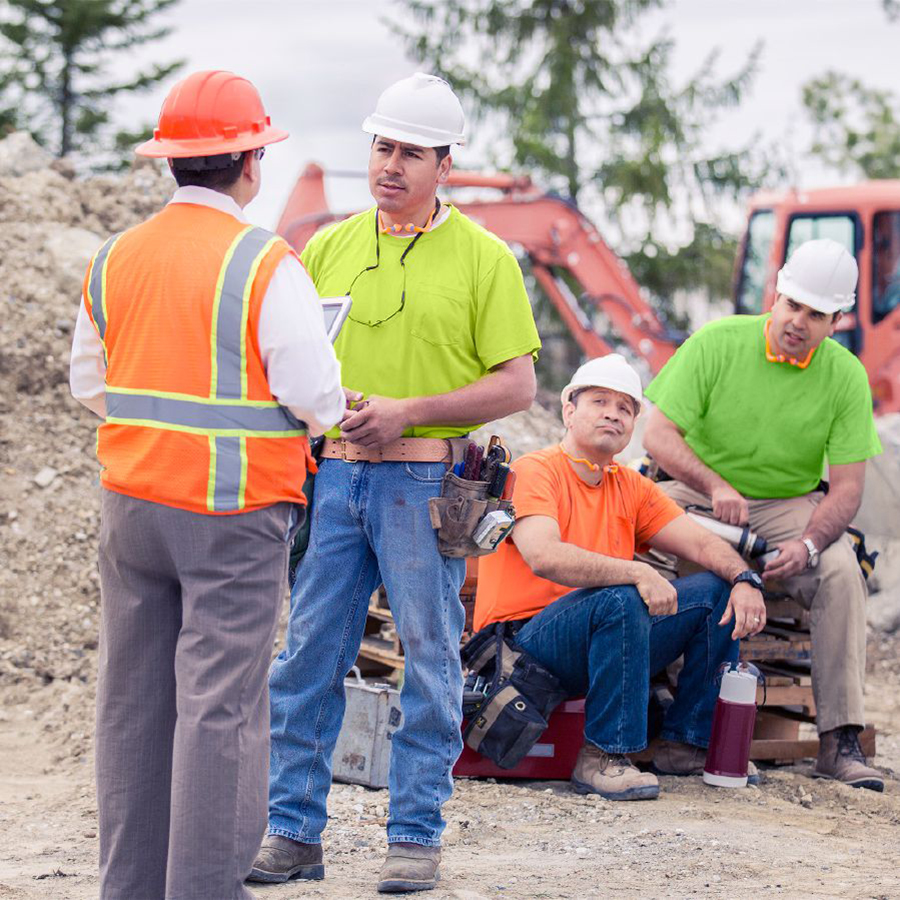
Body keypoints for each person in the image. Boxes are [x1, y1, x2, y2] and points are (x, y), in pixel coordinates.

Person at [250, 73, 541, 893]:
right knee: (307, 659)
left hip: (423, 487)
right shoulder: (330, 246)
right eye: (382, 147)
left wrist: (411, 410)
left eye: (410, 152)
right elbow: (288, 365)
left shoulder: (485, 258)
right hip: (337, 484)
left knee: (430, 661)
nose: (391, 164)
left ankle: (415, 835)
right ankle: (291, 833)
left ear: (444, 164)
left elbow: (517, 384)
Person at [69, 70, 345, 899]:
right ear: (250, 161)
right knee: (220, 710)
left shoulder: (116, 256)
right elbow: (314, 394)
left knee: (132, 704)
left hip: (133, 509)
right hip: (232, 515)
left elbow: (92, 380)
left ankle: (130, 888)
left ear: (173, 163)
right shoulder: (265, 262)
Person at [643, 238, 884, 792]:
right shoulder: (717, 342)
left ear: (836, 321)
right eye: (792, 304)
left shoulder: (846, 377)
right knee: (644, 540)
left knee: (842, 572)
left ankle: (839, 740)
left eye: (816, 313)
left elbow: (847, 489)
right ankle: (658, 699)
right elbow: (657, 435)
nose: (798, 321)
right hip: (697, 489)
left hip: (785, 503)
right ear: (774, 293)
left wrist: (811, 545)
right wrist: (714, 482)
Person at [473, 354, 768, 800]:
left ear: (632, 426)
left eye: (625, 408)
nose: (613, 412)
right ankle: (603, 756)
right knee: (621, 595)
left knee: (714, 590)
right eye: (599, 401)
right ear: (569, 411)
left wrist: (746, 577)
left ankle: (687, 743)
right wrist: (636, 570)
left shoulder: (629, 485)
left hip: (600, 635)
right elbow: (543, 556)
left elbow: (701, 543)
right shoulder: (535, 470)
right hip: (527, 646)